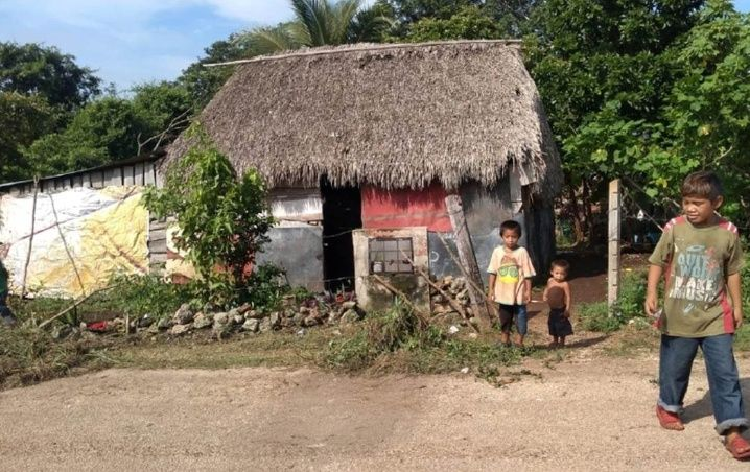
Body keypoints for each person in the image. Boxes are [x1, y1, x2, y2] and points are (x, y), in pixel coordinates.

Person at [645, 170, 749, 460]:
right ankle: (668, 406)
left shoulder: (727, 232)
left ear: (716, 202)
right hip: (677, 315)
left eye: (697, 203)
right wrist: (651, 292)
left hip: (716, 315)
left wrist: (738, 306)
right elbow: (657, 261)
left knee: (725, 373)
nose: (690, 208)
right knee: (675, 367)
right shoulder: (674, 227)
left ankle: (733, 430)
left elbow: (733, 271)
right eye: (686, 201)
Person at [487, 220, 536, 348]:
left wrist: (528, 291)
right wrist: (491, 290)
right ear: (501, 236)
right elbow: (492, 272)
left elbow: (528, 274)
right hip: (503, 295)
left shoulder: (522, 252)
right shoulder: (497, 252)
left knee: (520, 318)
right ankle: (505, 341)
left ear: (518, 236)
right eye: (507, 236)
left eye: (513, 237)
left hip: (518, 294)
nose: (510, 240)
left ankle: (519, 342)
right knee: (504, 318)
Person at [543, 259, 572, 348]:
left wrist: (567, 309)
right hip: (552, 309)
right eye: (557, 273)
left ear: (566, 274)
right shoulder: (550, 280)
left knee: (561, 326)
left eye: (562, 274)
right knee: (552, 325)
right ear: (551, 272)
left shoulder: (564, 284)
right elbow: (547, 288)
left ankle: (562, 342)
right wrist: (544, 295)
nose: (559, 276)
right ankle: (555, 341)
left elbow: (568, 297)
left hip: (560, 310)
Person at [0, 243, 17, 327]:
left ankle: (10, 320)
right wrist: (6, 248)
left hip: (1, 289)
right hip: (3, 289)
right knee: (2, 305)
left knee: (1, 306)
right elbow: (3, 256)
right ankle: (10, 319)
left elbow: (3, 256)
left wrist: (6, 248)